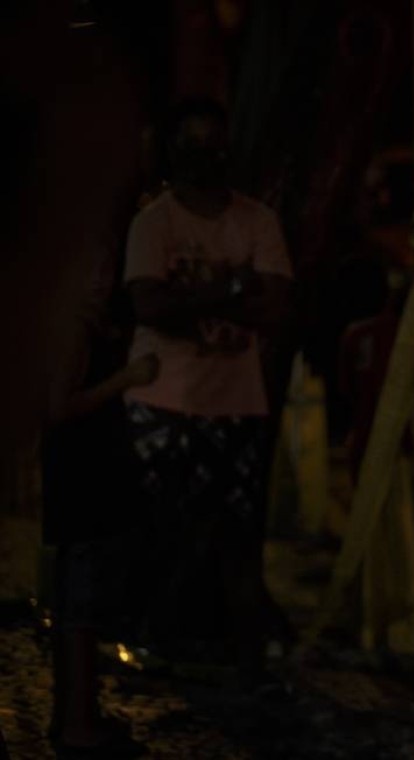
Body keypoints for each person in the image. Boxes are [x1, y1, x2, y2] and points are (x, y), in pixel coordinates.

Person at [122, 97, 292, 686]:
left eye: (213, 143)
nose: (206, 157)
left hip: (236, 402)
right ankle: (156, 641)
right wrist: (234, 286)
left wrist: (195, 296)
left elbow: (274, 307)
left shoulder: (256, 221)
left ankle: (239, 654)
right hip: (162, 402)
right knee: (164, 528)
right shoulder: (155, 222)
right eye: (193, 144)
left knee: (236, 533)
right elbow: (147, 304)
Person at [43, 242, 156, 757]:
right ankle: (77, 723)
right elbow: (61, 406)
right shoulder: (74, 329)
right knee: (79, 605)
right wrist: (126, 380)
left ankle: (72, 715)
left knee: (80, 602)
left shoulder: (88, 325)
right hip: (80, 475)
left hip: (90, 475)